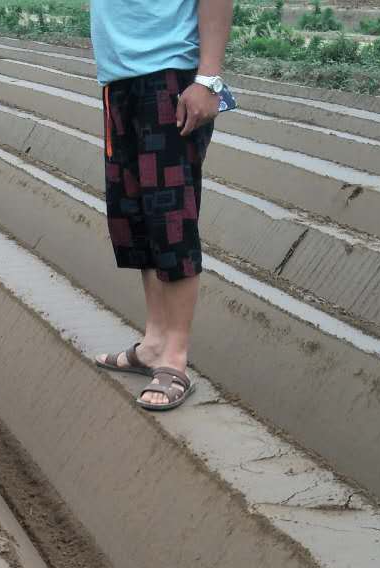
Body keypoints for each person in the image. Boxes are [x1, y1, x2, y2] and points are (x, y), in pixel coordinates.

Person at [92, 0, 234, 411]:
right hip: (119, 78)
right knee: (134, 216)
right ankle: (154, 343)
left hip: (169, 77)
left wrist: (208, 79)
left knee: (171, 216)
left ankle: (175, 357)